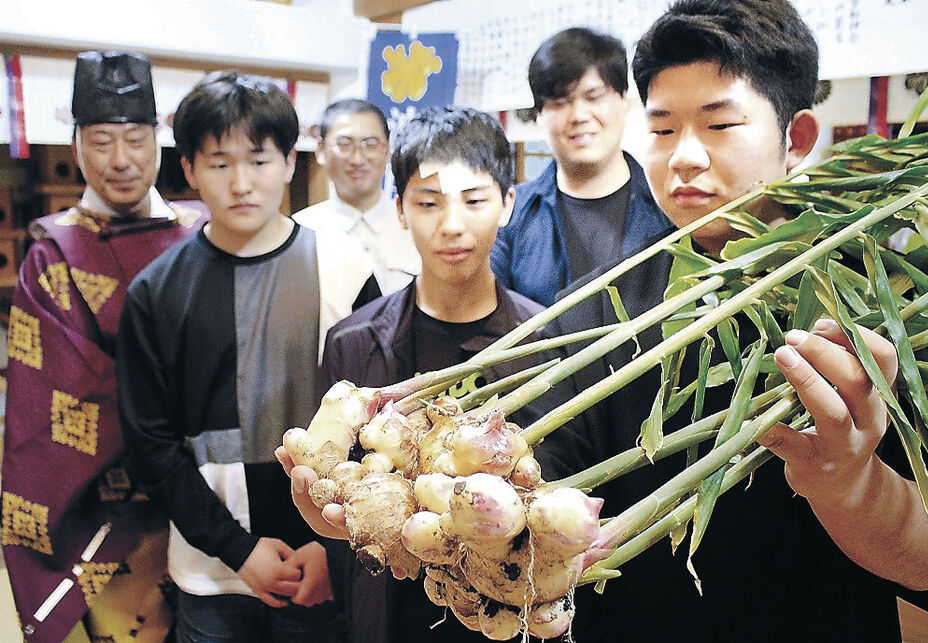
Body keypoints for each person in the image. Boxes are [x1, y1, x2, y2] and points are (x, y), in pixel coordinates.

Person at [531, 1, 928, 640]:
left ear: (796, 138)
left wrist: (851, 488)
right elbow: (536, 466)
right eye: (662, 131)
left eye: (719, 125)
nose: (683, 157)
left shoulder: (887, 312)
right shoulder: (591, 308)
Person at [115, 70, 374, 642]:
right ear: (187, 169)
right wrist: (239, 549)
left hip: (325, 559)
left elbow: (378, 423)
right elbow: (150, 445)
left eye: (258, 160)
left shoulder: (346, 269)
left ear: (288, 162)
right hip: (209, 574)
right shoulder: (156, 293)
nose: (241, 183)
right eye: (218, 162)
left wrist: (334, 547)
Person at [282, 106, 543, 643]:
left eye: (474, 201)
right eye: (428, 203)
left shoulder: (544, 344)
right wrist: (323, 517)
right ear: (400, 209)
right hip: (388, 613)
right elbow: (333, 489)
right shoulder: (353, 344)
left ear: (508, 204)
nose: (452, 225)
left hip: (505, 610)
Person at [1, 50, 207, 643]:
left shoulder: (200, 234)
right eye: (101, 141)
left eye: (137, 139)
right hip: (116, 518)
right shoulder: (53, 253)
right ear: (74, 145)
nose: (122, 161)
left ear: (159, 139)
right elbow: (52, 400)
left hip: (225, 502)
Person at [491, 26, 671, 306]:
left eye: (594, 97)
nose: (578, 115)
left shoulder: (669, 206)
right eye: (561, 102)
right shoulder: (510, 216)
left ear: (624, 100)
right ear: (539, 115)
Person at [293, 99, 420, 295]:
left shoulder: (417, 228)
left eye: (370, 145)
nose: (358, 159)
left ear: (387, 150)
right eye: (344, 144)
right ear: (321, 151)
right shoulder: (299, 232)